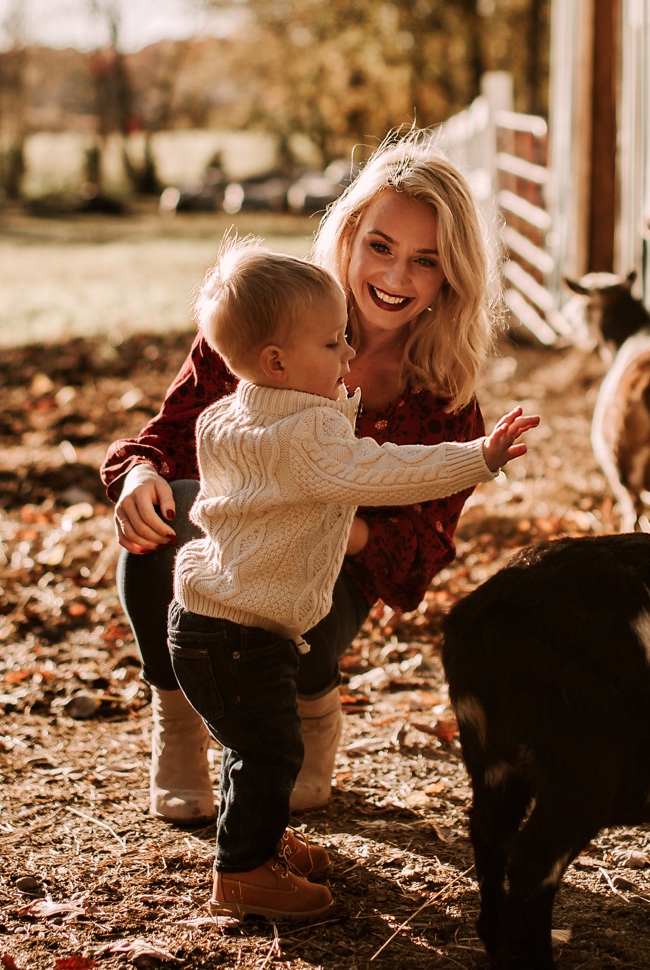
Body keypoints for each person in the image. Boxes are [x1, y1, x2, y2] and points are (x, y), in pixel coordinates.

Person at [103, 139, 505, 826]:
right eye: (380, 245)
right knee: (169, 514)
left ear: (451, 275)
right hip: (231, 537)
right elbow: (170, 433)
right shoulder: (271, 314)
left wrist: (323, 514)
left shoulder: (444, 394)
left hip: (334, 570)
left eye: (425, 260)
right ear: (347, 235)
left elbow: (423, 545)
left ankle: (314, 706)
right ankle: (177, 722)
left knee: (300, 620)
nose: (395, 274)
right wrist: (137, 471)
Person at [167, 240, 537, 917]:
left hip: (204, 620)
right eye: (334, 343)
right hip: (243, 633)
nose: (347, 355)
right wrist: (479, 458)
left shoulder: (230, 415)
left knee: (254, 744)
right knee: (272, 747)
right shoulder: (309, 436)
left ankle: (259, 835)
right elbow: (390, 470)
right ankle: (243, 871)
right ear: (278, 361)